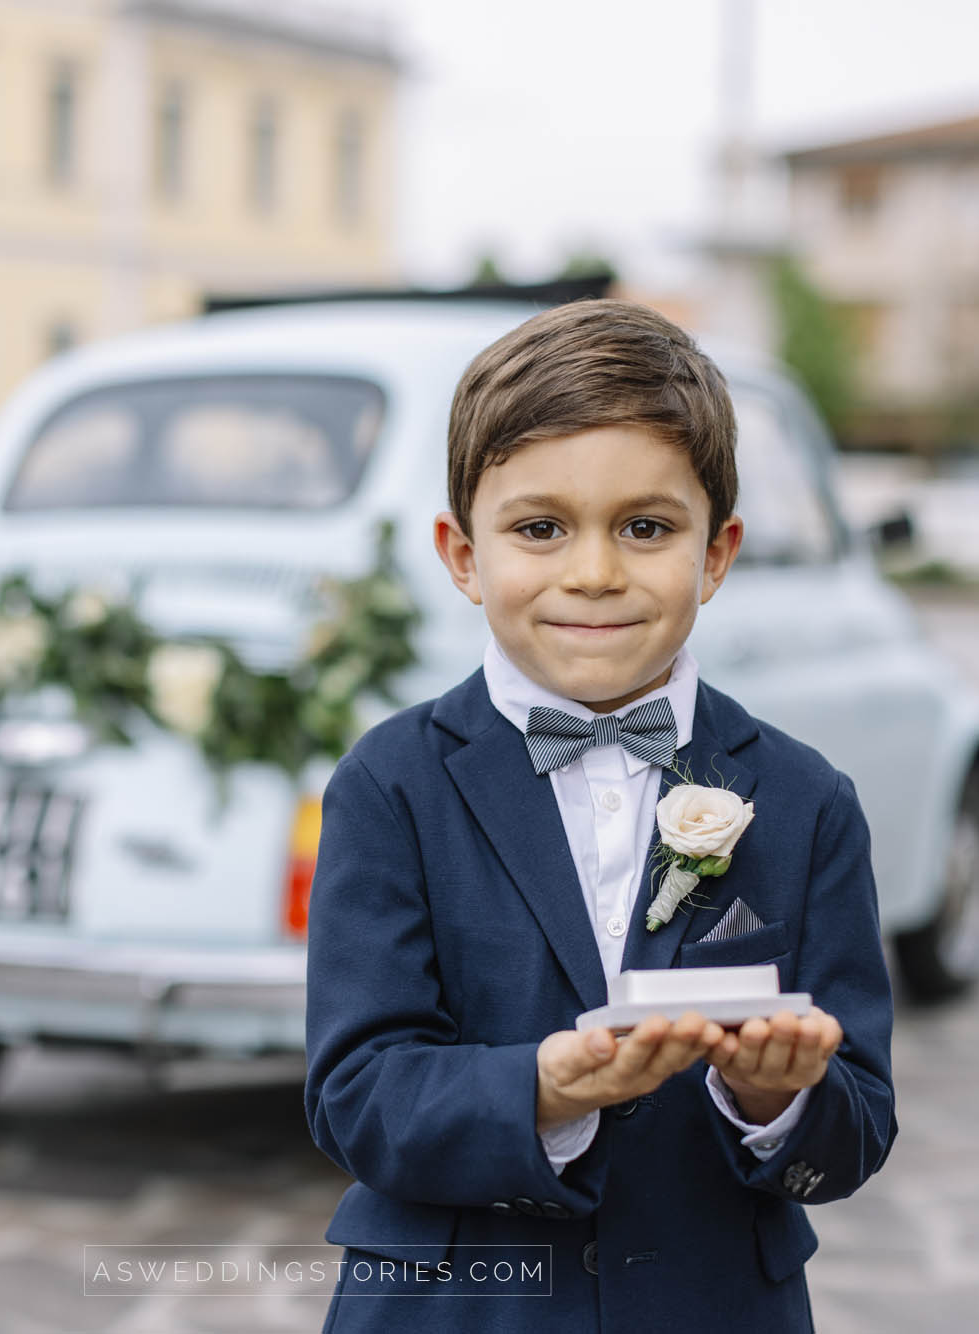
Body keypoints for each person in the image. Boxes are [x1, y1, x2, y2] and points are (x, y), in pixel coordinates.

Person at [302, 298, 897, 1333]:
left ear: (716, 553)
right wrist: (539, 1088)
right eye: (539, 528)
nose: (593, 572)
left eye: (645, 527)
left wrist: (775, 1098)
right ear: (462, 554)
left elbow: (856, 1124)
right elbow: (354, 1094)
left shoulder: (806, 802)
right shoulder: (388, 785)